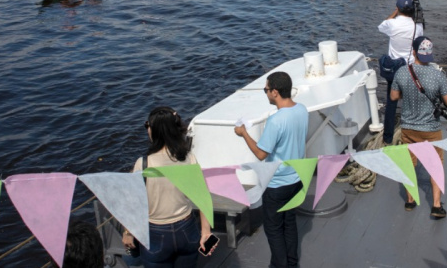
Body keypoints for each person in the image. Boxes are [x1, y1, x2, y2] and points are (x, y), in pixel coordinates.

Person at [122, 106, 215, 266]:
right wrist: (206, 231)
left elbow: (133, 203)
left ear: (155, 131)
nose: (147, 129)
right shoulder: (189, 159)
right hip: (187, 229)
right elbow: (203, 197)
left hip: (156, 233)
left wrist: (128, 232)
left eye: (147, 125)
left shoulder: (143, 164)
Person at [234, 72, 308, 268]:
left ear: (275, 92)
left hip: (277, 184)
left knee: (274, 230)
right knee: (289, 224)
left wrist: (243, 133)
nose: (265, 93)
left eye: (266, 90)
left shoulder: (276, 121)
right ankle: (292, 263)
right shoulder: (302, 110)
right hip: (297, 179)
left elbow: (260, 154)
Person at [389, 37, 447, 218]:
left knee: (409, 164)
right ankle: (435, 205)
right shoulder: (438, 75)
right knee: (435, 165)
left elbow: (394, 97)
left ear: (414, 52)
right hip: (431, 129)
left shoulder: (402, 72)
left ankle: (410, 201)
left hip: (408, 128)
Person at [377, 0, 424, 144]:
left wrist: (394, 13)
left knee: (391, 104)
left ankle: (388, 137)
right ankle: (412, 136)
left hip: (394, 71)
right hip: (410, 70)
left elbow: (381, 26)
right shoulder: (418, 27)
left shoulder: (392, 24)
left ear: (398, 9)